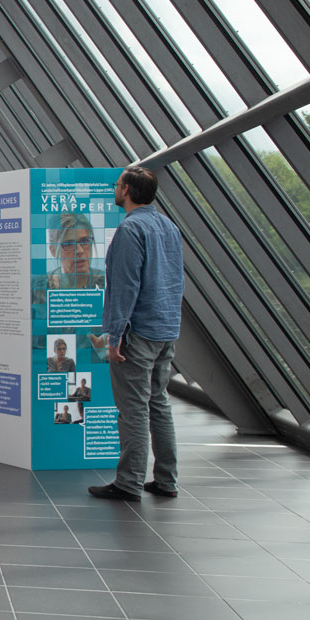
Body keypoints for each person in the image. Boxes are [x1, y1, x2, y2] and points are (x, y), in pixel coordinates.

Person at [90, 167, 185, 502]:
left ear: (127, 190)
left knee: (133, 410)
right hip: (165, 330)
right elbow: (174, 282)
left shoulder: (131, 229)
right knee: (158, 404)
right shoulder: (168, 227)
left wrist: (115, 338)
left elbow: (125, 288)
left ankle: (129, 482)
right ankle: (166, 480)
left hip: (138, 334)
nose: (116, 190)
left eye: (117, 185)